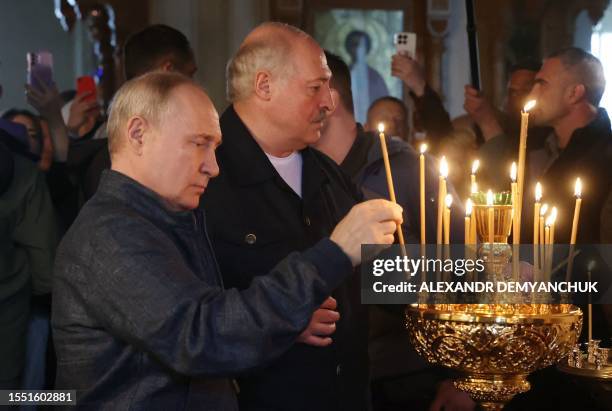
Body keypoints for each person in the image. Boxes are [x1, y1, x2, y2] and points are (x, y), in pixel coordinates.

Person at [52, 71, 401, 410]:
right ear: (139, 134)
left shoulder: (175, 217)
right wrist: (335, 252)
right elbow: (202, 336)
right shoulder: (111, 233)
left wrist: (445, 281)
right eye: (199, 144)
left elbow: (219, 318)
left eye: (215, 147)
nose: (212, 166)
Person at [202, 22, 378, 410]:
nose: (330, 103)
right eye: (315, 88)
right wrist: (279, 321)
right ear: (264, 87)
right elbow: (187, 321)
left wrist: (484, 272)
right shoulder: (205, 178)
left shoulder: (328, 175)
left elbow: (378, 274)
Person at [313, 51, 473, 411]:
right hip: (333, 378)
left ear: (328, 101)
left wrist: (464, 377)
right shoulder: (300, 173)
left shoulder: (406, 168)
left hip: (408, 377)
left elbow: (470, 265)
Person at [67, 23, 198, 201]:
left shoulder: (112, 148)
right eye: (190, 75)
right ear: (168, 70)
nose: (194, 87)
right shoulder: (119, 159)